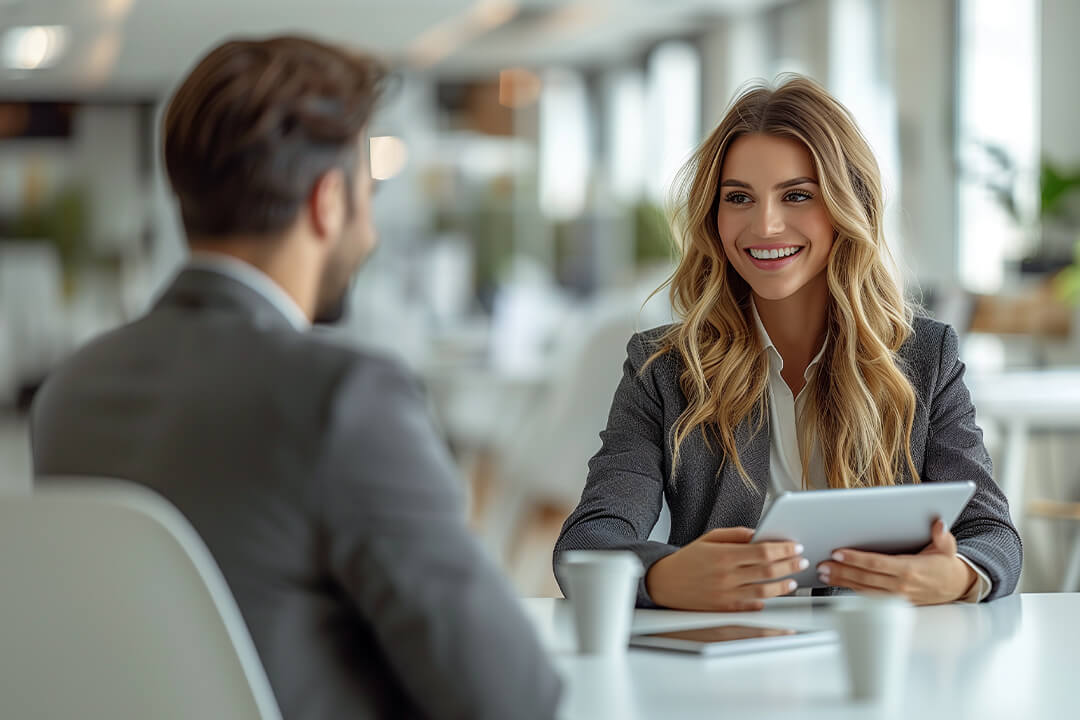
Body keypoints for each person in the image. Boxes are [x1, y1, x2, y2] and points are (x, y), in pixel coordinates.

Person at [31, 36, 561, 720]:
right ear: (328, 201)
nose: (369, 234)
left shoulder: (68, 393)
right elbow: (510, 696)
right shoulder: (345, 399)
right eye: (368, 194)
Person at [554, 74, 1022, 612]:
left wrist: (957, 576)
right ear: (714, 214)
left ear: (850, 206)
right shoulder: (664, 368)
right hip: (723, 667)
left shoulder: (924, 357)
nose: (766, 224)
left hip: (883, 664)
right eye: (739, 198)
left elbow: (994, 535)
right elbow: (586, 544)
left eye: (797, 195)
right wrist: (660, 577)